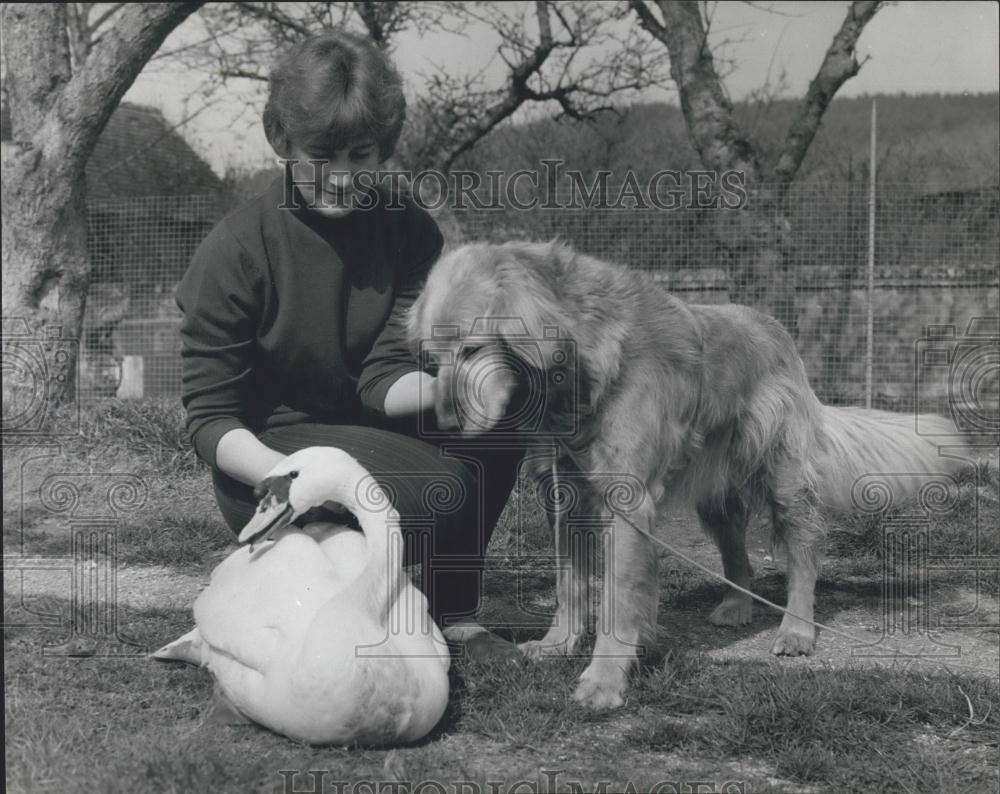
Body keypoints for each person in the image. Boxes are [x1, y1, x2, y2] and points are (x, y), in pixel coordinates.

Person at [175, 29, 524, 661]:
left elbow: (383, 375)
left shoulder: (409, 229)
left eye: (362, 155)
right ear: (281, 140)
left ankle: (453, 608)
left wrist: (464, 384)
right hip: (270, 458)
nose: (342, 177)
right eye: (320, 154)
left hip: (372, 428)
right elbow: (210, 417)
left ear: (385, 146)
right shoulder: (235, 249)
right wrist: (288, 477)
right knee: (429, 490)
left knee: (502, 419)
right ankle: (312, 580)